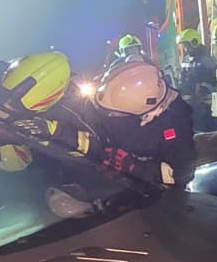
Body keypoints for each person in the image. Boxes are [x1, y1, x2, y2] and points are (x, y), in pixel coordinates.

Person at [39, 61, 197, 190]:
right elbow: (99, 136)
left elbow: (182, 174)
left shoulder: (176, 127)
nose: (111, 117)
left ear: (146, 114)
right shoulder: (125, 107)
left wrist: (135, 166)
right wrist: (58, 132)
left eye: (116, 114)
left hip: (160, 202)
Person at [174, 28, 217, 132]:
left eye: (187, 45)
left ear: (194, 42)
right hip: (190, 100)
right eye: (184, 46)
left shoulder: (206, 59)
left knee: (206, 123)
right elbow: (183, 76)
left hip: (204, 100)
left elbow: (212, 79)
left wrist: (199, 90)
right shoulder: (186, 59)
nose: (186, 49)